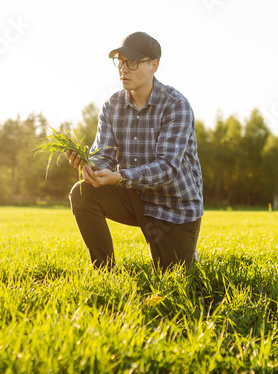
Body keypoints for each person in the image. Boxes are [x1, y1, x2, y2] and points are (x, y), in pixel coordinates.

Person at [66, 31, 203, 273]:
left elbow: (167, 168)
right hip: (135, 197)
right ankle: (105, 273)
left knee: (173, 279)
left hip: (173, 207)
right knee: (83, 193)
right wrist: (88, 165)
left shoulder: (176, 105)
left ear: (154, 66)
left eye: (131, 63)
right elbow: (104, 156)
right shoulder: (112, 105)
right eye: (120, 62)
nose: (123, 69)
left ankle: (187, 250)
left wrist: (119, 177)